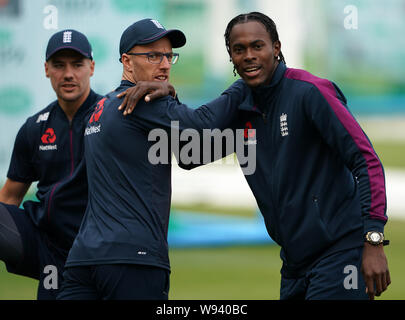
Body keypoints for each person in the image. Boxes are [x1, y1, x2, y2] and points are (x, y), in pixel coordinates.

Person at [124, 12, 391, 300]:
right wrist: (166, 101)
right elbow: (191, 155)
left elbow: (366, 161)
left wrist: (373, 239)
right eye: (239, 50)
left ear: (276, 47)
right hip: (293, 264)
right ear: (231, 58)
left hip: (340, 251)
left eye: (257, 46)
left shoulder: (310, 92)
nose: (248, 56)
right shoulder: (241, 105)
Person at [57, 18, 247, 300]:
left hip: (83, 259)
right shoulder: (144, 100)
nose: (165, 64)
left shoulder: (103, 105)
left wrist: (244, 139)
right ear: (126, 61)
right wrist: (246, 83)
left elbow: (188, 155)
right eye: (153, 55)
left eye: (169, 56)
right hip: (133, 259)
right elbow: (200, 125)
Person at [0, 29, 103, 299]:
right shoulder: (34, 128)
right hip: (50, 252)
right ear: (47, 69)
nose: (68, 74)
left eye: (77, 64)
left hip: (103, 251)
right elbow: (9, 197)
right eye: (59, 65)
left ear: (91, 67)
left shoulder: (111, 118)